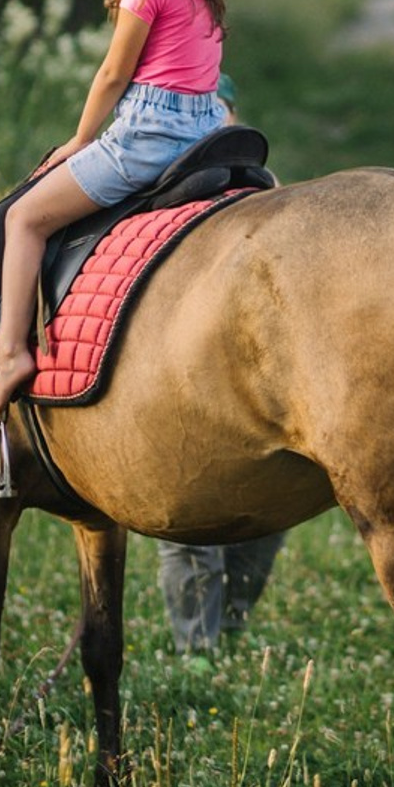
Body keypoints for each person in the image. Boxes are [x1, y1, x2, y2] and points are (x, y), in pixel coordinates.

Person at [0, 0, 228, 414]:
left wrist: (79, 141)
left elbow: (114, 73)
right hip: (205, 131)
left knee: (23, 219)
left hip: (148, 136)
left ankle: (10, 356)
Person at [156, 72, 285, 656]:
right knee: (189, 520)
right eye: (206, 110)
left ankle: (229, 627)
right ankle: (196, 652)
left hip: (254, 376)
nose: (216, 122)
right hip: (182, 374)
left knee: (268, 516)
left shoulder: (266, 191)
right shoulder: (161, 185)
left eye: (223, 111)